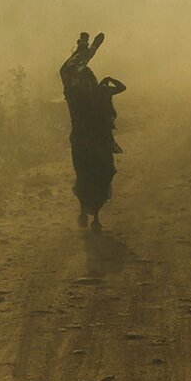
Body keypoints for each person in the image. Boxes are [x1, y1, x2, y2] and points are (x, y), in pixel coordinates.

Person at [60, 32, 126, 232]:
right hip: (97, 137)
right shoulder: (92, 90)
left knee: (83, 173)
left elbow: (74, 64)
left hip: (80, 137)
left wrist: (88, 46)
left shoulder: (72, 88)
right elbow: (79, 63)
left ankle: (84, 212)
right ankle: (95, 217)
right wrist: (92, 46)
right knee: (101, 172)